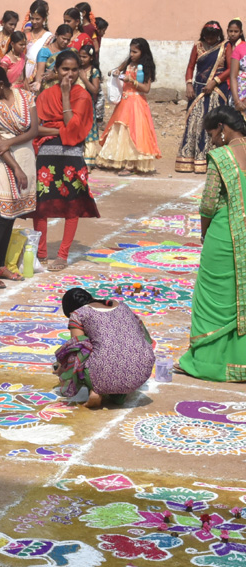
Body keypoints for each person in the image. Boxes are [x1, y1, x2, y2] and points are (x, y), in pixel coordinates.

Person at [177, 108, 246, 382]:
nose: (213, 141)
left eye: (212, 134)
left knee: (214, 298)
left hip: (224, 234)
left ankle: (207, 362)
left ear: (222, 127)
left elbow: (208, 203)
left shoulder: (221, 157)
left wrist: (204, 232)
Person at [32, 49, 97, 270]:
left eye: (74, 69)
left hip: (72, 157)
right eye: (65, 69)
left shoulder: (82, 95)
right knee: (42, 205)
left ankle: (62, 254)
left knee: (71, 206)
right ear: (56, 70)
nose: (69, 74)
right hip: (46, 156)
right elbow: (35, 129)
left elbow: (75, 128)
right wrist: (62, 129)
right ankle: (41, 253)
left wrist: (67, 97)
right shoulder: (45, 96)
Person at [0, 63, 37, 289]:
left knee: (12, 215)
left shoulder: (26, 97)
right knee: (2, 216)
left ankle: (0, 265)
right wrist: (16, 168)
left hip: (24, 156)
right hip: (3, 163)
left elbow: (33, 130)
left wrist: (10, 141)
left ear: (1, 85)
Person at [54, 287, 154, 407]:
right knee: (115, 353)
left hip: (102, 373)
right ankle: (118, 394)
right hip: (140, 373)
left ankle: (96, 391)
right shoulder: (121, 305)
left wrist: (64, 366)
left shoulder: (78, 314)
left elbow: (77, 347)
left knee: (80, 353)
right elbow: (143, 336)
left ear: (70, 310)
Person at [95, 37, 161, 176]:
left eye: (135, 52)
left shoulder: (145, 67)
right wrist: (115, 73)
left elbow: (146, 88)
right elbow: (112, 72)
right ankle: (116, 159)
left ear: (142, 52)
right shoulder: (128, 63)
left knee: (134, 132)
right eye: (130, 51)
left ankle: (131, 164)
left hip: (136, 103)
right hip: (124, 102)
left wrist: (131, 80)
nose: (131, 54)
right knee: (120, 130)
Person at [178, 22, 232, 175]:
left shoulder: (225, 46)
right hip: (198, 90)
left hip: (217, 90)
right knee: (195, 122)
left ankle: (212, 161)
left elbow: (229, 68)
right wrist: (189, 84)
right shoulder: (198, 46)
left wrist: (215, 81)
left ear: (218, 35)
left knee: (213, 123)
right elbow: (190, 67)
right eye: (207, 36)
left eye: (213, 36)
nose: (210, 39)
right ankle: (190, 160)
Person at [77, 41, 102, 164]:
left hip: (87, 106)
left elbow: (94, 89)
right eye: (80, 56)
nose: (81, 59)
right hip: (75, 105)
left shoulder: (93, 71)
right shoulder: (76, 69)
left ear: (91, 58)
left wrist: (84, 79)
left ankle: (88, 161)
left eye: (84, 57)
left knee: (88, 131)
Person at [24, 0, 53, 89]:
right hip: (23, 74)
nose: (34, 21)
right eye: (32, 18)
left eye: (37, 19)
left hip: (39, 74)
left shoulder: (49, 37)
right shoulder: (26, 35)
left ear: (44, 19)